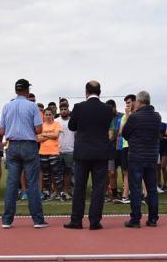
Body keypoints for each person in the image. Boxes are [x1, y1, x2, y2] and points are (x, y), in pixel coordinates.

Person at [64, 80, 114, 231]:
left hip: (83, 152)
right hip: (101, 152)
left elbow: (72, 126)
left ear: (86, 92)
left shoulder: (79, 107)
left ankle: (76, 220)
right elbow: (107, 127)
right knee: (98, 188)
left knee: (80, 187)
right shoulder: (107, 109)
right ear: (100, 92)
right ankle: (94, 221)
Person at [0, 79, 48, 229]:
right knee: (32, 183)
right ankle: (38, 220)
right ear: (27, 91)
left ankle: (7, 220)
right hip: (29, 145)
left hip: (12, 145)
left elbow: (2, 131)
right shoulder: (32, 106)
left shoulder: (7, 106)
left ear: (16, 90)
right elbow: (39, 129)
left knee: (12, 184)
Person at [122, 91, 161, 228]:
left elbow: (125, 134)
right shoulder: (157, 116)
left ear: (139, 102)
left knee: (136, 188)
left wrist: (128, 116)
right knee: (151, 189)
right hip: (151, 156)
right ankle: (153, 219)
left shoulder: (134, 117)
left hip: (136, 156)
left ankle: (135, 219)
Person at [38, 108, 63, 200]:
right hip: (43, 152)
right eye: (46, 114)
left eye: (50, 114)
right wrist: (50, 135)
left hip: (54, 152)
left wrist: (44, 135)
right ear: (43, 115)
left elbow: (56, 136)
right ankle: (47, 193)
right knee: (46, 175)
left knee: (57, 174)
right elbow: (38, 139)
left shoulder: (57, 124)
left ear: (53, 115)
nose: (48, 116)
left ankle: (59, 193)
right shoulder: (41, 126)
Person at [116, 94, 136, 204]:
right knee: (126, 172)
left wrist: (129, 116)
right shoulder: (125, 116)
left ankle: (144, 194)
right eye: (126, 103)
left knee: (137, 171)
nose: (127, 105)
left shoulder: (137, 114)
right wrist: (127, 116)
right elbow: (120, 132)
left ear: (134, 102)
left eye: (129, 102)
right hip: (125, 146)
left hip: (134, 146)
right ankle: (125, 195)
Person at [56, 103, 74, 200]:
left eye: (65, 109)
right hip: (57, 150)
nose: (63, 111)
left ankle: (66, 191)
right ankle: (57, 192)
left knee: (68, 172)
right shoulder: (56, 121)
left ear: (68, 109)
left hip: (70, 150)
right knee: (57, 173)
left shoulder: (73, 121)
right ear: (59, 110)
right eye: (62, 109)